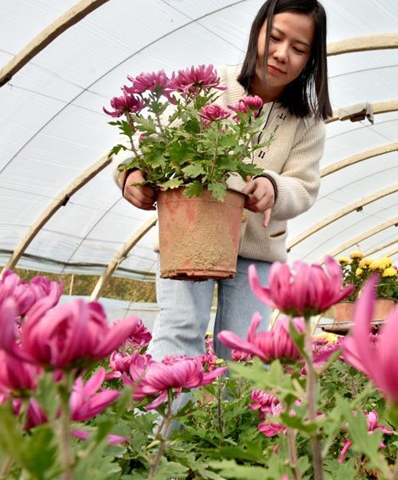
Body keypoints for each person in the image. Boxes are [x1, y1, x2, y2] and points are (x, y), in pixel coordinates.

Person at [117, 0, 331, 361]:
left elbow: (304, 187)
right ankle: (163, 420)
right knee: (180, 333)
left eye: (298, 49)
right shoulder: (211, 86)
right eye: (276, 38)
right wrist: (130, 174)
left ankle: (229, 420)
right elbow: (152, 147)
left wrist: (273, 188)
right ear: (257, 32)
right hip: (190, 233)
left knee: (242, 352)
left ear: (312, 59)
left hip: (257, 253)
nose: (281, 54)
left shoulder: (307, 121)